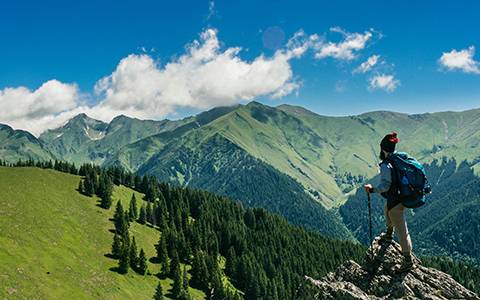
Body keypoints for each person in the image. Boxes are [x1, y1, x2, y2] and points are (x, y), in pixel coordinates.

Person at [364, 132, 414, 272]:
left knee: (402, 230)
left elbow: (386, 185)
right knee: (387, 210)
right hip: (400, 197)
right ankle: (388, 234)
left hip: (396, 201)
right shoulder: (398, 158)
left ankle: (407, 260)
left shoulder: (387, 164)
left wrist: (372, 189)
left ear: (383, 149)